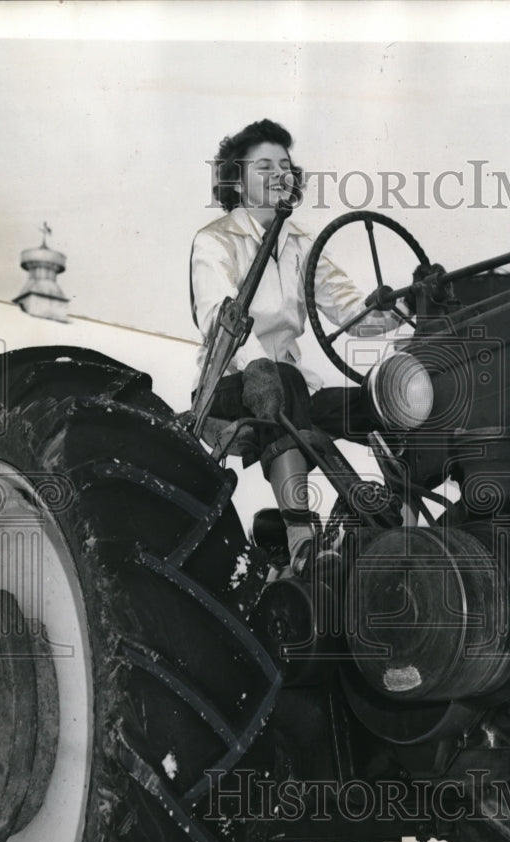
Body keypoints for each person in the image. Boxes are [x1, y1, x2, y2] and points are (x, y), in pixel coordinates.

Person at [190, 119, 400, 569]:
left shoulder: (302, 245)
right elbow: (217, 320)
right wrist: (259, 368)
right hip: (227, 388)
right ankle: (301, 538)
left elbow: (349, 310)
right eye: (263, 165)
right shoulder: (214, 242)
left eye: (284, 165)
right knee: (278, 378)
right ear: (237, 178)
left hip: (291, 392)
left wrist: (395, 305)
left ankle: (394, 520)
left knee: (377, 405)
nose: (279, 173)